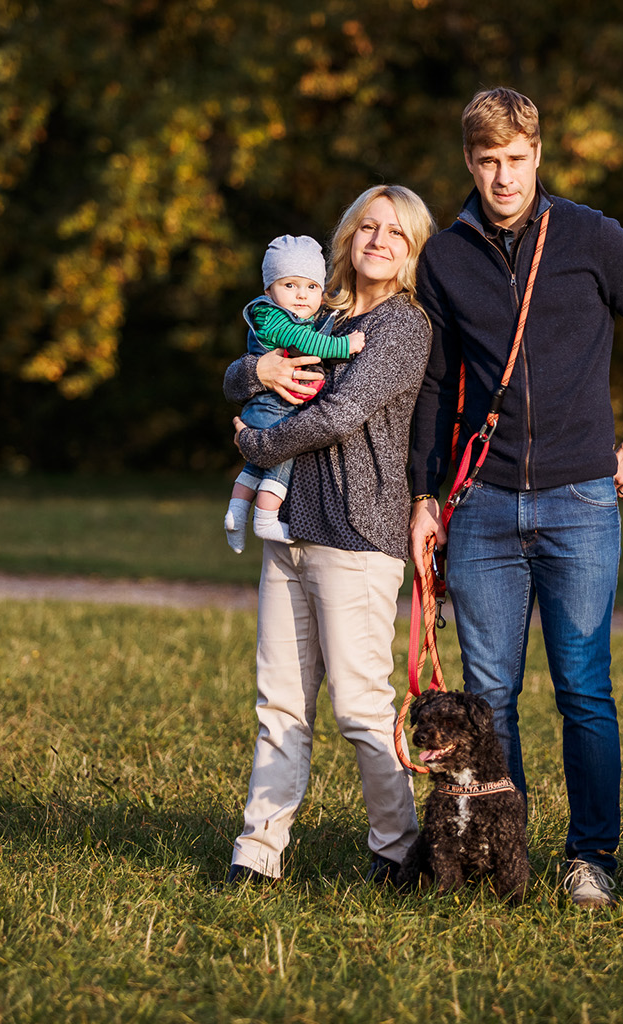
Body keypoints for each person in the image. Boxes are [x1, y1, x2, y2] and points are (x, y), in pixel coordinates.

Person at [407, 87, 623, 907]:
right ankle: (508, 858)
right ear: (470, 161)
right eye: (488, 162)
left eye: (517, 160)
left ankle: (591, 857)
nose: (503, 177)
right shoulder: (448, 257)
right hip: (483, 503)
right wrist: (428, 496)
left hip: (580, 497)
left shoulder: (592, 236)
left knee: (583, 690)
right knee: (490, 698)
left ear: (539, 154)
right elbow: (435, 385)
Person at [223, 184, 438, 885]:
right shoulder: (319, 309)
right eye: (367, 227)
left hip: (356, 532)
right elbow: (239, 369)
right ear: (347, 236)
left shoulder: (405, 326)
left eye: (395, 233)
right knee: (279, 699)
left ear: (410, 251)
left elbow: (341, 414)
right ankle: (258, 852)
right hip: (288, 529)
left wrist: (260, 444)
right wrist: (255, 370)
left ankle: (397, 849)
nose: (378, 240)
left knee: (358, 706)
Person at [223, 235, 367, 553]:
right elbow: (313, 346)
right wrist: (347, 345)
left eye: (311, 287)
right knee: (281, 458)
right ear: (268, 291)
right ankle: (265, 517)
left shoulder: (291, 316)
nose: (302, 295)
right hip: (276, 407)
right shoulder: (276, 320)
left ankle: (235, 513)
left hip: (262, 407)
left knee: (254, 466)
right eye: (290, 285)